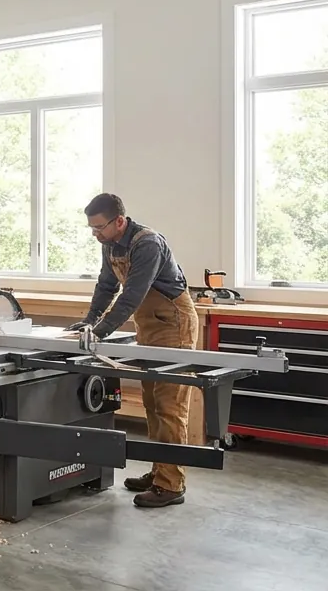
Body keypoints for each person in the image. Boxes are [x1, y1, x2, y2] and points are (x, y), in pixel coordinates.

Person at [65, 193, 198, 508]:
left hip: (173, 325)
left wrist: (99, 332)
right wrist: (88, 321)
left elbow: (132, 295)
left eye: (99, 227)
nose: (95, 234)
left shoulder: (148, 244)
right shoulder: (111, 244)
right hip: (150, 327)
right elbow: (106, 286)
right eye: (91, 229)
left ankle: (171, 485)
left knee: (170, 407)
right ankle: (159, 470)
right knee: (152, 402)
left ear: (119, 221)